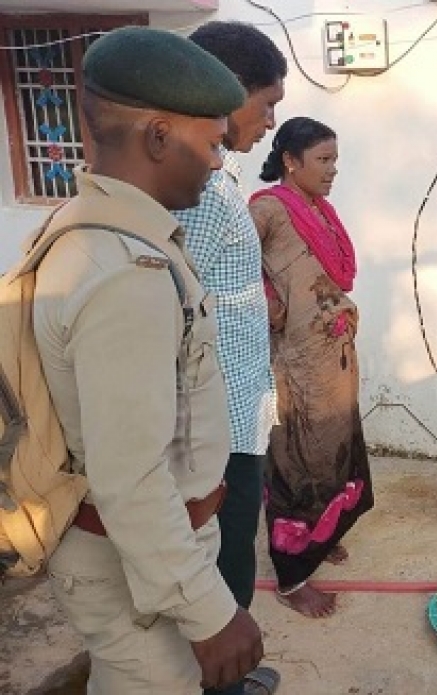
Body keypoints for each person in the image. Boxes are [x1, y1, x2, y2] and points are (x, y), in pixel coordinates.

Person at [32, 27, 264, 693]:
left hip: (146, 554)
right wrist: (210, 612)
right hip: (137, 570)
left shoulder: (98, 230)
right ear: (159, 137)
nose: (218, 163)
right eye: (212, 143)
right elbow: (130, 477)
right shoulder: (125, 273)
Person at [174, 22, 286, 695]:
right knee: (223, 561)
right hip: (218, 422)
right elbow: (172, 311)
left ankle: (230, 677)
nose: (270, 122)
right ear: (223, 90)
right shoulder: (203, 195)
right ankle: (221, 684)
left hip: (242, 408)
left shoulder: (223, 179)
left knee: (236, 548)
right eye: (265, 104)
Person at [248, 117, 374, 618]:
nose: (332, 170)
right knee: (297, 458)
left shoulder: (320, 210)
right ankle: (292, 576)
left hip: (332, 361)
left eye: (334, 160)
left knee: (334, 448)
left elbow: (334, 275)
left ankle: (324, 534)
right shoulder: (268, 209)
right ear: (290, 161)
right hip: (296, 366)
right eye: (323, 160)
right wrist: (269, 300)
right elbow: (227, 268)